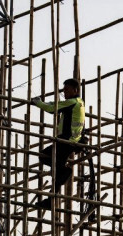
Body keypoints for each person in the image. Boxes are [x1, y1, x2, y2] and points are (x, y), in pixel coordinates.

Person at [32, 78, 85, 209]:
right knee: (56, 170)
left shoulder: (72, 103)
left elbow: (52, 109)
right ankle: (51, 200)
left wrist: (37, 103)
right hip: (71, 141)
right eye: (64, 90)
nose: (65, 93)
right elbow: (57, 105)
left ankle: (64, 171)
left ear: (75, 90)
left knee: (44, 156)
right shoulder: (79, 103)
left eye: (67, 90)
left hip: (66, 141)